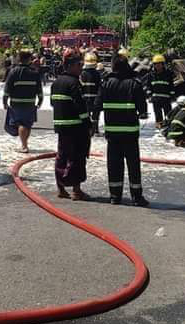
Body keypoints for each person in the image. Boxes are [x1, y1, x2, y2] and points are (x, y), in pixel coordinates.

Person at [95, 49, 149, 206]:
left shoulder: (106, 84)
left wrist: (93, 125)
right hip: (130, 134)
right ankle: (137, 197)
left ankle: (115, 196)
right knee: (133, 165)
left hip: (112, 133)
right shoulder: (134, 84)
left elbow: (97, 106)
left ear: (113, 67)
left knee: (114, 165)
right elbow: (143, 110)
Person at [50, 51, 91, 200]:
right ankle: (76, 190)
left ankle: (61, 188)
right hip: (76, 127)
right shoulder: (74, 83)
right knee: (77, 157)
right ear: (72, 66)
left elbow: (52, 103)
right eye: (79, 65)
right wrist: (88, 124)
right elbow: (80, 107)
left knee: (61, 156)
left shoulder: (56, 83)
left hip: (61, 127)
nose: (81, 68)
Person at [3, 50, 43, 153]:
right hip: (30, 102)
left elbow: (7, 88)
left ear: (19, 59)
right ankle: (24, 144)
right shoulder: (34, 73)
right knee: (28, 124)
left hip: (16, 103)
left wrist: (5, 101)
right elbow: (39, 90)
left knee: (21, 124)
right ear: (29, 59)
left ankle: (24, 146)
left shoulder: (13, 72)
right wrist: (40, 101)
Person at [147, 54, 175, 127]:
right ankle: (159, 124)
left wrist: (172, 95)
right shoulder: (151, 75)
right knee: (157, 113)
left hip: (166, 97)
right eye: (156, 64)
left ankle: (168, 125)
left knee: (168, 112)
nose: (158, 66)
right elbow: (149, 86)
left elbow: (171, 85)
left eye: (159, 64)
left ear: (163, 64)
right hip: (156, 98)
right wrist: (150, 95)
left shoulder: (168, 74)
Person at [80, 51, 103, 135]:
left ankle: (87, 130)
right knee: (96, 116)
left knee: (86, 115)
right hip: (95, 99)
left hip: (85, 99)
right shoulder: (97, 74)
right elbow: (100, 87)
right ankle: (95, 130)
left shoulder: (82, 73)